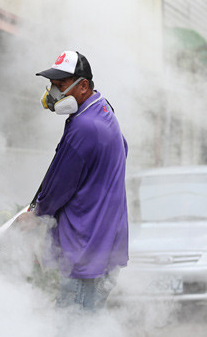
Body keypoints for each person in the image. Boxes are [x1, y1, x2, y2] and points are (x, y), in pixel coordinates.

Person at [24, 50, 129, 312]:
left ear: (83, 86)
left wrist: (37, 213)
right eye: (52, 85)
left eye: (60, 86)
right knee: (88, 328)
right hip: (103, 245)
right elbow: (123, 148)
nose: (53, 94)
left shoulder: (84, 127)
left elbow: (60, 186)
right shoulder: (103, 110)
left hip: (85, 251)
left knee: (72, 330)